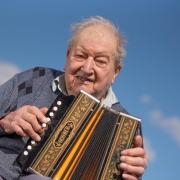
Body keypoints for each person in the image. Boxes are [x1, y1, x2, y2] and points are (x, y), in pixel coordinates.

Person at [0, 16, 147, 180]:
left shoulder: (126, 127)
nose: (87, 67)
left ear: (116, 72)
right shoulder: (35, 78)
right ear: (67, 56)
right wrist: (4, 122)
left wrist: (131, 175)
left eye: (100, 61)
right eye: (80, 56)